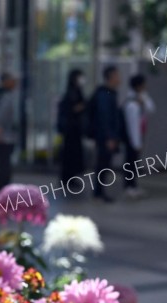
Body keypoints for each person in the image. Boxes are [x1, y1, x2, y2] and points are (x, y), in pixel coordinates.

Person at [88, 65, 121, 202]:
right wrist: (109, 136)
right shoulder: (105, 94)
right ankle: (98, 192)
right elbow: (105, 116)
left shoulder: (109, 93)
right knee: (102, 163)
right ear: (111, 77)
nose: (119, 78)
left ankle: (99, 192)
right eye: (117, 75)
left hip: (106, 135)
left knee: (104, 164)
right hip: (105, 136)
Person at [122, 74, 155, 199]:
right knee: (130, 162)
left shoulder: (141, 98)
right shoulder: (131, 102)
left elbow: (151, 108)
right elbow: (132, 125)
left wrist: (144, 100)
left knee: (135, 162)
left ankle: (133, 185)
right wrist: (136, 143)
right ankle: (129, 186)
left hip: (139, 135)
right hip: (132, 138)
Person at [57, 69, 86, 186]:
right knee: (70, 154)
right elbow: (72, 108)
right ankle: (67, 178)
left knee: (72, 154)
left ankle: (70, 177)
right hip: (71, 129)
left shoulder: (76, 91)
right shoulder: (72, 92)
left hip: (74, 129)